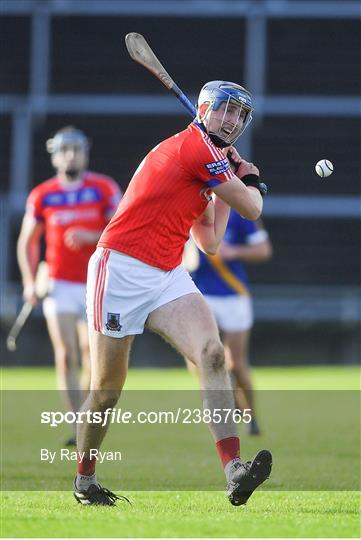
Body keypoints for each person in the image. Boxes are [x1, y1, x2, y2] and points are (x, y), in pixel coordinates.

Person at [74, 81, 272, 507]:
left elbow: (210, 243)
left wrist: (225, 186)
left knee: (213, 354)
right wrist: (250, 177)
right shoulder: (195, 149)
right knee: (107, 389)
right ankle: (85, 480)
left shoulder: (209, 164)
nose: (232, 120)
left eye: (240, 114)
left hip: (167, 274)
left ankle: (234, 469)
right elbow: (253, 207)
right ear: (203, 109)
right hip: (121, 267)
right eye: (225, 110)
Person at [17, 126, 122, 445]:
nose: (71, 155)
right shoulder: (43, 194)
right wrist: (29, 281)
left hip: (95, 282)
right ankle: (76, 420)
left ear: (85, 153)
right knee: (65, 354)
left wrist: (91, 237)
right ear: (55, 156)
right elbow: (28, 241)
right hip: (60, 284)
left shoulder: (103, 188)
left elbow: (119, 229)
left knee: (92, 352)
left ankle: (89, 417)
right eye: (65, 150)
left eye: (76, 149)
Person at [191, 215, 273, 435]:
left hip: (233, 294)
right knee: (202, 359)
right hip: (199, 295)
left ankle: (251, 416)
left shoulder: (238, 213)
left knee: (236, 363)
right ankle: (217, 420)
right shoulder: (191, 207)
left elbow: (263, 250)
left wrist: (233, 251)